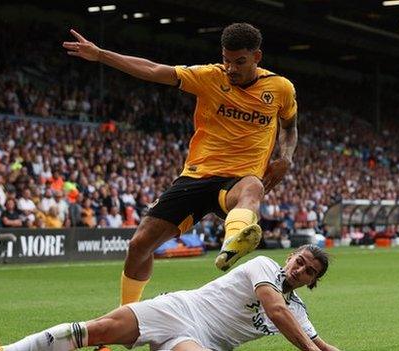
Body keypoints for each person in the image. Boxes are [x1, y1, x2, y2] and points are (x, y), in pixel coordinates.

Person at [63, 22, 298, 305]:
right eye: (226, 60)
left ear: (256, 57)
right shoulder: (210, 77)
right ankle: (127, 313)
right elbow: (153, 70)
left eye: (240, 62)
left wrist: (285, 158)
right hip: (196, 177)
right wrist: (101, 55)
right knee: (139, 245)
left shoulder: (280, 88)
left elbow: (290, 127)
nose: (231, 68)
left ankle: (233, 243)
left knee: (252, 187)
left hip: (238, 179)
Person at [0, 245, 339, 351]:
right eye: (299, 261)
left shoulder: (300, 311)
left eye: (308, 271)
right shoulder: (263, 266)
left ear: (311, 282)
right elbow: (275, 310)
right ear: (290, 257)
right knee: (97, 330)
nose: (299, 270)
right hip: (180, 309)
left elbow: (321, 343)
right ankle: (5, 350)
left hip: (199, 341)